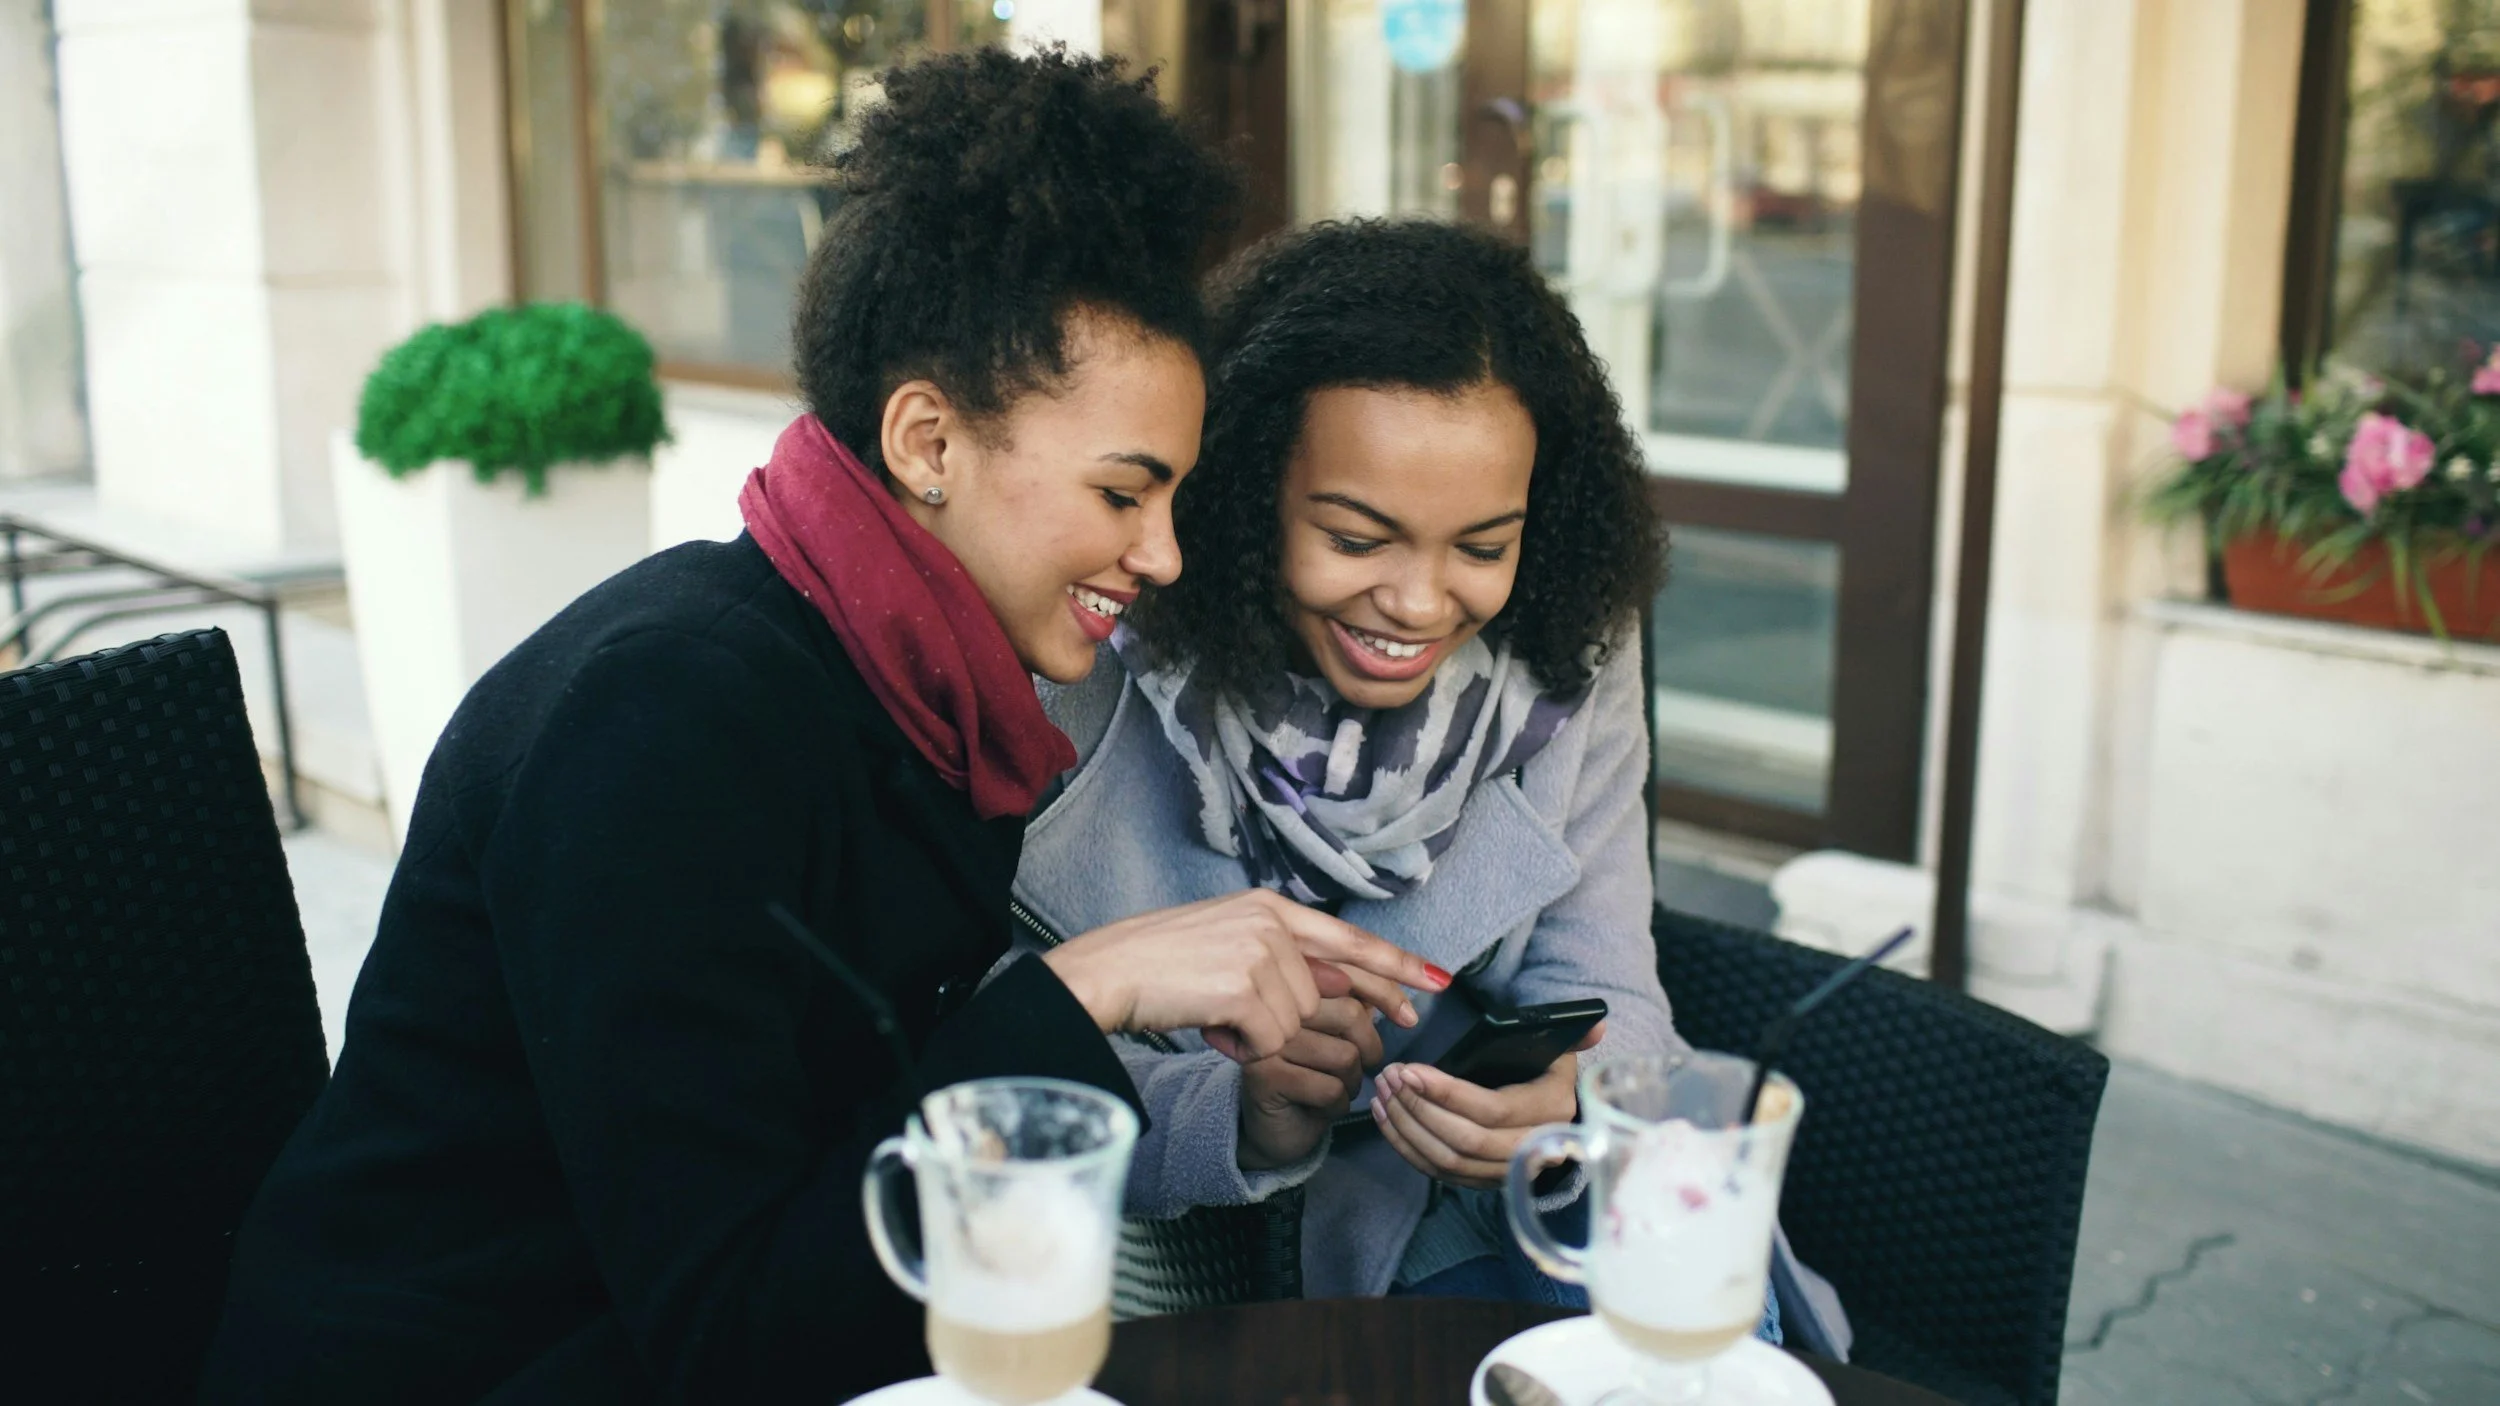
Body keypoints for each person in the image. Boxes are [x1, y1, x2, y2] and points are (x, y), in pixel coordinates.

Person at [199, 52, 1443, 1405]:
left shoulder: (916, 691)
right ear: (925, 442)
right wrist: (1087, 988)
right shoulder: (665, 723)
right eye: (1123, 492)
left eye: (1175, 501)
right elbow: (738, 1335)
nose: (1163, 554)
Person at [1009, 219, 1849, 1354]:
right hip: (1248, 1260)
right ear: (1247, 495)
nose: (1418, 603)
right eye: (1358, 537)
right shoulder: (1091, 660)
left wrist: (1574, 1097)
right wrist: (1246, 1112)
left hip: (1534, 1207)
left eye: (1483, 545)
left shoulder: (1564, 653)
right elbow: (1014, 1062)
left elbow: (1611, 984)